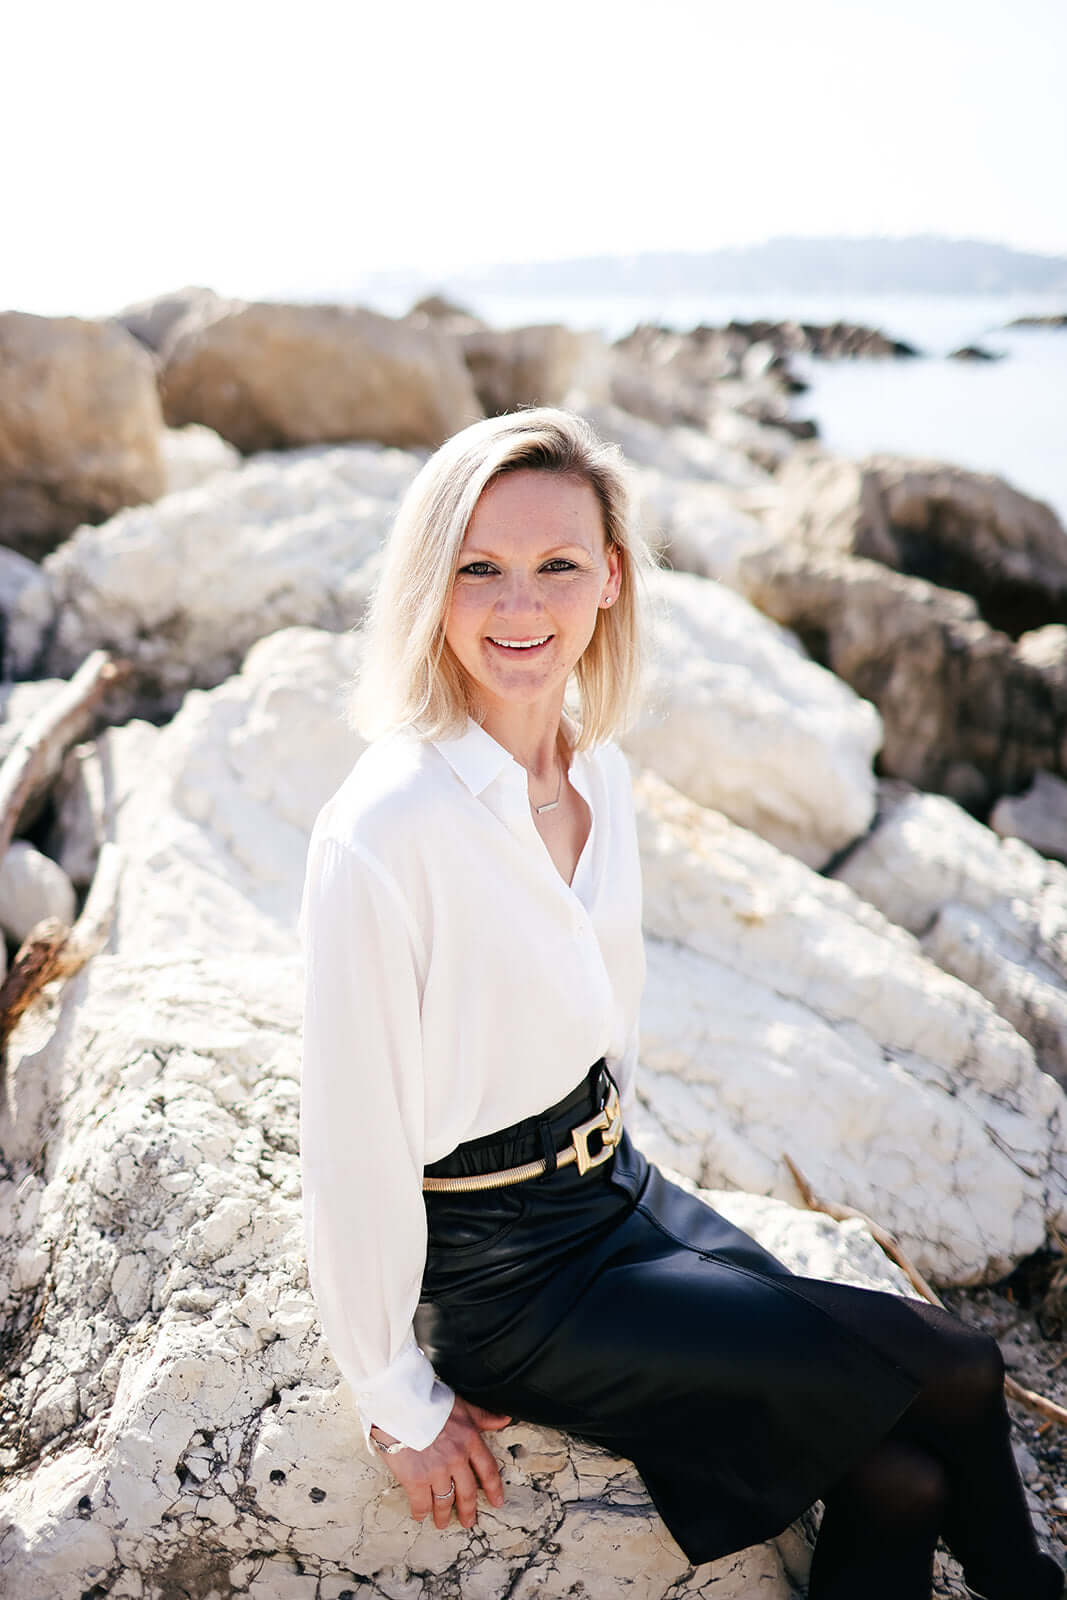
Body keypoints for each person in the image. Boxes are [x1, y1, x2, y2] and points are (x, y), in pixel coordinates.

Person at [300, 407, 1062, 1599]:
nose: (520, 606)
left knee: (899, 1479)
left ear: (609, 578)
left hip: (617, 1195)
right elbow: (344, 1141)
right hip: (501, 1280)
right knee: (954, 1364)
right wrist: (394, 1396)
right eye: (479, 569)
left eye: (557, 565)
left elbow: (613, 1014)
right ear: (429, 585)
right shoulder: (384, 828)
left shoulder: (592, 764)